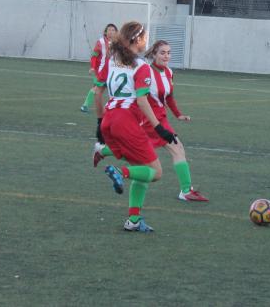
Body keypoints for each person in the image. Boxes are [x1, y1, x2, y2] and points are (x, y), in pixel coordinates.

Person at [94, 40, 208, 202]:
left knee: (142, 157)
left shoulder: (168, 72)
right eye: (162, 52)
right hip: (150, 120)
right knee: (175, 148)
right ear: (153, 54)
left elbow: (169, 96)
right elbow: (140, 98)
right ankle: (185, 190)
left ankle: (103, 151)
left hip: (160, 117)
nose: (166, 56)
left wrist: (178, 114)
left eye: (169, 52)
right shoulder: (146, 70)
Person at [98, 21, 177, 233]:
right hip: (126, 121)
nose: (147, 42)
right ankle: (119, 171)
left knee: (140, 171)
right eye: (145, 38)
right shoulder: (142, 67)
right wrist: (160, 128)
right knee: (156, 172)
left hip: (109, 118)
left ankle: (133, 220)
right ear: (137, 40)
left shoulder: (113, 59)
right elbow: (142, 101)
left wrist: (99, 122)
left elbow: (100, 90)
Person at [80, 24, 118, 136]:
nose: (111, 32)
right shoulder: (101, 42)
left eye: (113, 30)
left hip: (114, 71)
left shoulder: (118, 43)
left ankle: (110, 111)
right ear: (105, 32)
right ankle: (86, 106)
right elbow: (94, 55)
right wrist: (92, 67)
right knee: (97, 89)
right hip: (101, 71)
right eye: (109, 30)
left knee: (112, 90)